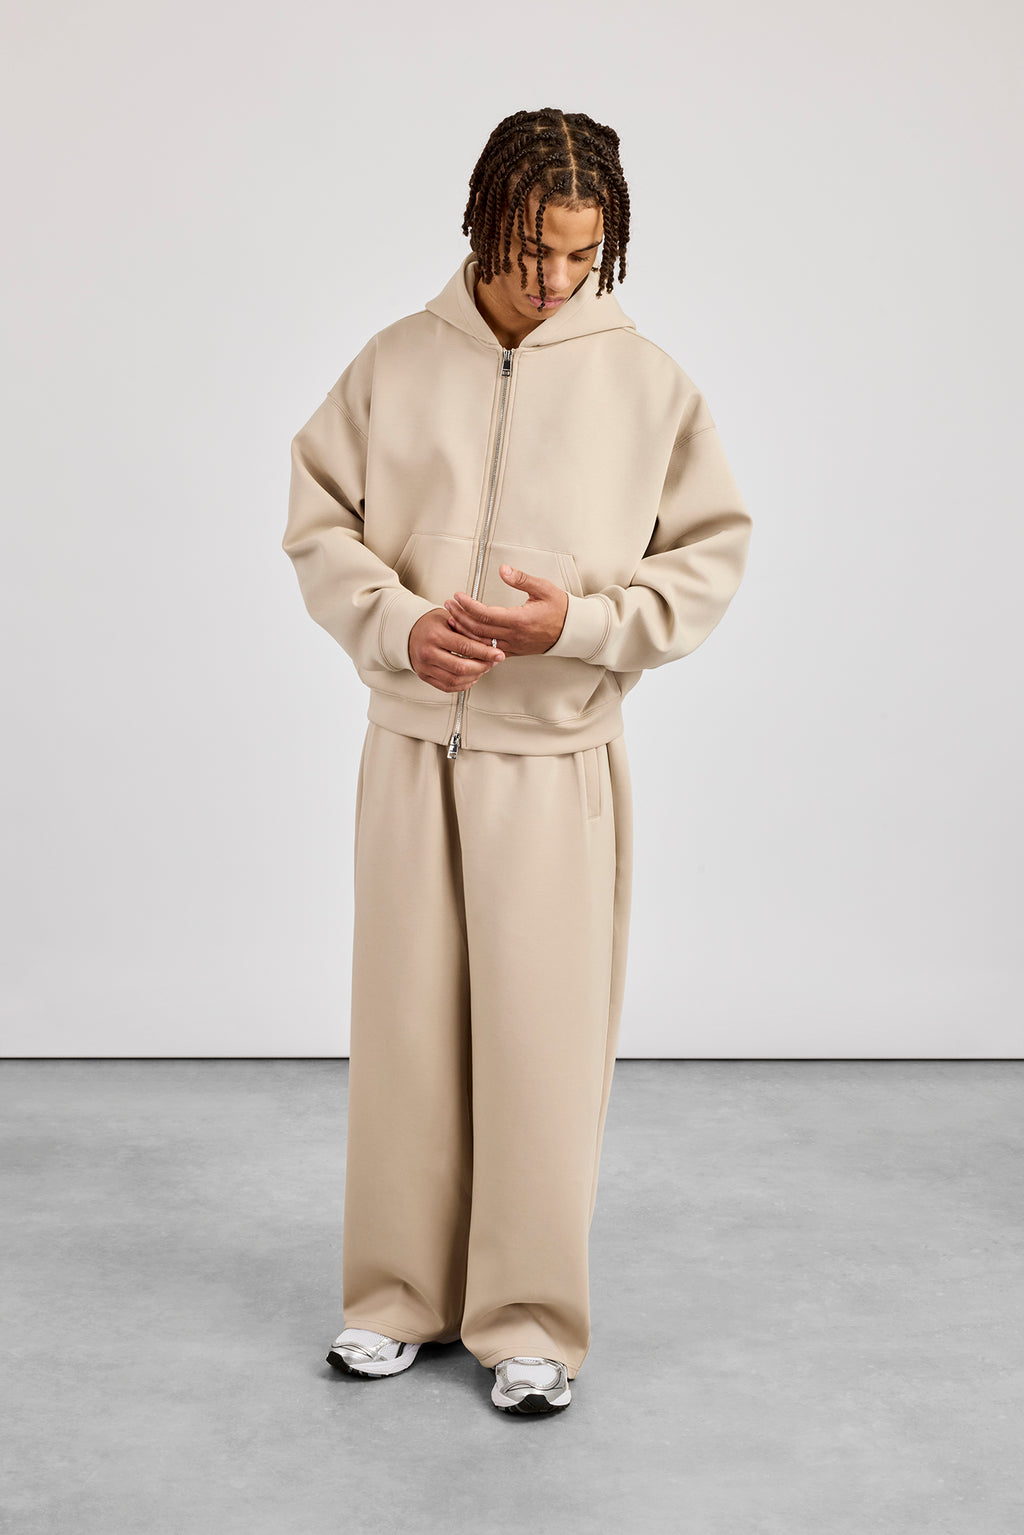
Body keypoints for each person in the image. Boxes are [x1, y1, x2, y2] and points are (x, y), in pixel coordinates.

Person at [282, 106, 753, 1416]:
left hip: (555, 760)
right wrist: (395, 623)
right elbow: (319, 521)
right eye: (534, 250)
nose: (554, 281)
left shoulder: (650, 385)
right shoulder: (394, 363)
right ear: (484, 222)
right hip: (410, 747)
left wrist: (580, 628)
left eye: (582, 256)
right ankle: (394, 1300)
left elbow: (706, 559)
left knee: (543, 1045)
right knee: (406, 1035)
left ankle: (531, 1322)